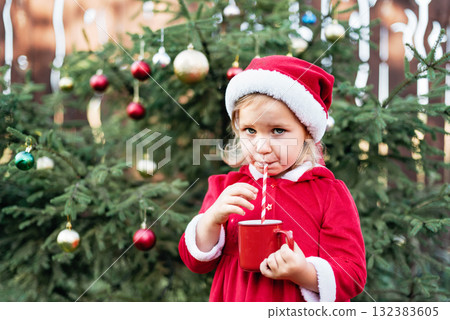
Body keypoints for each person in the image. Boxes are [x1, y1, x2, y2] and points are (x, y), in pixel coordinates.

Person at [178, 55, 366, 302]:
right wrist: (211, 220)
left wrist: (305, 273)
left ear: (306, 133)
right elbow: (196, 262)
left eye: (278, 131)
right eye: (250, 131)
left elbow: (352, 274)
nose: (262, 146)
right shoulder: (226, 188)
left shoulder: (328, 193)